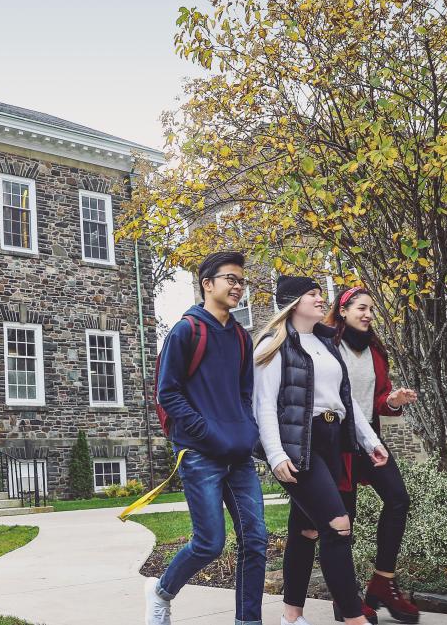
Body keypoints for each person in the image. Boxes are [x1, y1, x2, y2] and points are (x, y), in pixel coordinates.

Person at [253, 275, 387, 625]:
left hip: (332, 441)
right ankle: (354, 619)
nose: (321, 298)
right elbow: (264, 405)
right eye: (313, 294)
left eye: (320, 293)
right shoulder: (274, 344)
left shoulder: (326, 343)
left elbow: (347, 400)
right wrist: (276, 454)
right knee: (338, 525)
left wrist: (371, 441)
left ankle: (291, 617)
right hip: (300, 446)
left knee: (306, 529)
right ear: (294, 302)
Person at [145, 251, 267, 625]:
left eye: (241, 281)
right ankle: (162, 591)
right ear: (207, 284)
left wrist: (246, 431)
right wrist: (205, 432)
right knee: (210, 543)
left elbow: (245, 394)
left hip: (239, 455)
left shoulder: (242, 339)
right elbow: (168, 394)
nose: (237, 287)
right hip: (200, 454)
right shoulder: (186, 331)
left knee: (256, 542)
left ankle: (248, 621)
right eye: (230, 279)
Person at [325, 287, 419, 624]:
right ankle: (346, 599)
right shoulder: (328, 346)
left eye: (370, 310)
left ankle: (383, 582)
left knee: (398, 499)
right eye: (361, 308)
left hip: (370, 439)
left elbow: (377, 400)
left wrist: (393, 400)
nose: (367, 315)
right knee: (343, 522)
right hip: (337, 443)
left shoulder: (376, 351)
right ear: (344, 310)